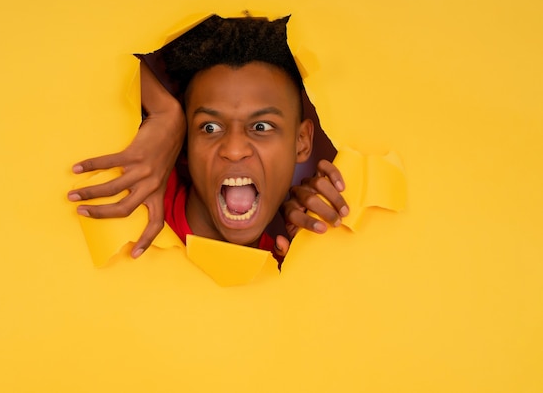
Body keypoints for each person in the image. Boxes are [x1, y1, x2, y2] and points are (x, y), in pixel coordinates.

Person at [68, 15, 349, 259]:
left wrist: (312, 259)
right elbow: (73, 29)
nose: (235, 149)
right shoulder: (132, 194)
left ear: (302, 142)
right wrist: (165, 112)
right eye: (210, 128)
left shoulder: (285, 258)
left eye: (261, 127)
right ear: (185, 141)